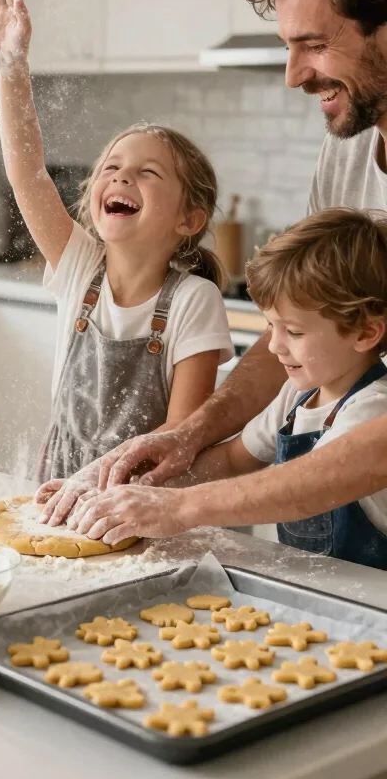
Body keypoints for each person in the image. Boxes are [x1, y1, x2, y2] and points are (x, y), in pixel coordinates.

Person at [41, 0, 387, 542]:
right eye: (288, 47)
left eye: (314, 44)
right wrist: (184, 438)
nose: (293, 75)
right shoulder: (348, 152)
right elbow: (297, 332)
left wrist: (180, 508)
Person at [0, 0, 233, 483]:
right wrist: (11, 67)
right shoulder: (80, 269)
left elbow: (182, 432)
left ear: (189, 219)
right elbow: (27, 173)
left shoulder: (193, 301)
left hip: (142, 494)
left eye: (147, 172)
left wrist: (116, 488)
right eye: (112, 167)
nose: (121, 175)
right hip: (63, 482)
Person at [67, 209, 387, 570]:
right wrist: (138, 490)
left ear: (365, 333)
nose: (274, 346)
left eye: (293, 331)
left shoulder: (372, 408)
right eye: (270, 326)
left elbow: (308, 489)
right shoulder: (297, 396)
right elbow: (234, 458)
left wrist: (177, 508)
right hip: (319, 588)